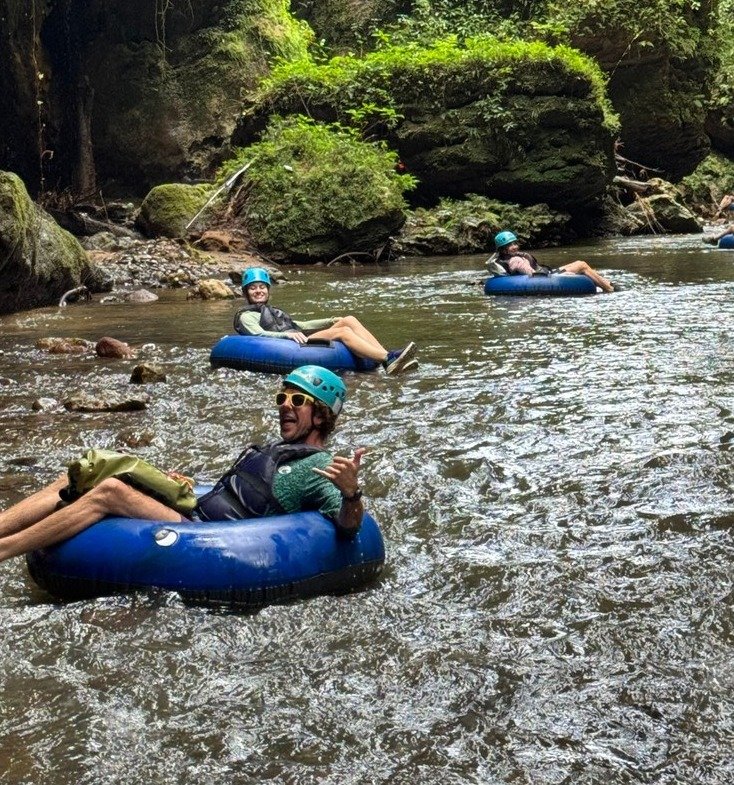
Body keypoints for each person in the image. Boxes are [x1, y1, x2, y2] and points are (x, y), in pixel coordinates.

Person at [0, 366, 365, 563]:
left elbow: (347, 528)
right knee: (78, 474)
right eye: (282, 396)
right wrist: (184, 487)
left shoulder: (322, 467)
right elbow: (236, 489)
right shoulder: (276, 447)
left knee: (109, 492)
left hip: (206, 530)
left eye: (297, 399)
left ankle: (5, 550)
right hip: (196, 507)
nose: (284, 404)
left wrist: (351, 493)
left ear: (320, 415)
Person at [235, 267, 417, 374]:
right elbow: (259, 334)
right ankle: (387, 359)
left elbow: (301, 325)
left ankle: (388, 357)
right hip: (290, 346)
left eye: (262, 287)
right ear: (246, 293)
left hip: (297, 340)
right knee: (343, 332)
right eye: (252, 288)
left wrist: (330, 319)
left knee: (349, 320)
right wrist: (287, 337)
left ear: (268, 290)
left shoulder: (274, 311)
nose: (258, 291)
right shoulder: (246, 315)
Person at [487, 231, 617, 293]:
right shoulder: (515, 260)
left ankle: (607, 283)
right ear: (504, 249)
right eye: (511, 245)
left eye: (515, 243)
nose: (515, 246)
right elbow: (532, 274)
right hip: (547, 277)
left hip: (548, 272)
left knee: (579, 263)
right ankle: (610, 289)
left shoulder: (509, 257)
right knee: (581, 266)